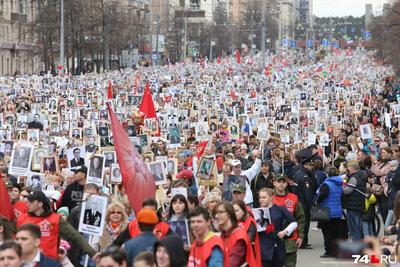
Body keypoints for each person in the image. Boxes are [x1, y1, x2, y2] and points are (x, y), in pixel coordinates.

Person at [16, 191, 96, 259]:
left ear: (40, 204)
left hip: (48, 262)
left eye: (31, 201)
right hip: (26, 260)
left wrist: (93, 253)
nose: (28, 204)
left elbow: (75, 236)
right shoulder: (22, 218)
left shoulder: (55, 219)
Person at [258, 188, 298, 267]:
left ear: (271, 197)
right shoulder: (257, 211)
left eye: (264, 197)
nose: (261, 200)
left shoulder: (280, 209)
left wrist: (285, 232)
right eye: (260, 197)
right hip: (262, 248)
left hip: (276, 246)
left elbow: (294, 223)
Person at [273, 174, 305, 267]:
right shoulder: (269, 197)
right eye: (279, 182)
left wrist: (301, 236)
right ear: (274, 183)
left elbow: (300, 218)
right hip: (274, 240)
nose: (281, 184)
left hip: (290, 239)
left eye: (284, 182)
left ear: (287, 183)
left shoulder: (293, 198)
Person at [212, 201, 256, 267]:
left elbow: (231, 263)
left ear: (229, 213)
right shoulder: (222, 235)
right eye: (216, 213)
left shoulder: (239, 236)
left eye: (221, 212)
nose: (217, 216)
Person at [316, 166, 343, 258]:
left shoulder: (326, 184)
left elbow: (322, 195)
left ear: (327, 174)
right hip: (338, 211)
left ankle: (328, 251)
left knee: (327, 233)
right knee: (336, 233)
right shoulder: (340, 183)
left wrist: (317, 202)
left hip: (327, 211)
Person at [292, 154, 318, 249]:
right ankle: (303, 242)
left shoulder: (299, 173)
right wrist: (310, 205)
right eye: (310, 165)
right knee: (304, 224)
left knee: (301, 223)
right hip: (303, 204)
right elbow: (307, 193)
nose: (311, 167)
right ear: (305, 165)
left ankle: (301, 241)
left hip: (298, 202)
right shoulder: (305, 176)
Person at [343, 160, 367, 241]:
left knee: (354, 228)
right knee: (359, 227)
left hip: (353, 205)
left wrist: (343, 185)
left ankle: (357, 247)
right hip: (360, 204)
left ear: (352, 168)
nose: (347, 170)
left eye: (348, 168)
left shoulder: (354, 177)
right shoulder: (363, 175)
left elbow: (347, 191)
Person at [232, 200, 261, 265]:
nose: (234, 213)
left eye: (236, 211)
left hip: (247, 258)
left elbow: (247, 242)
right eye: (233, 211)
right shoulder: (231, 223)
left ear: (243, 211)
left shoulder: (250, 222)